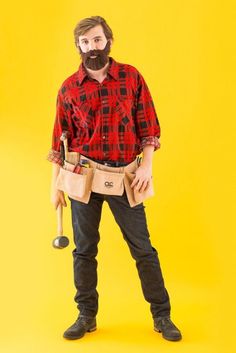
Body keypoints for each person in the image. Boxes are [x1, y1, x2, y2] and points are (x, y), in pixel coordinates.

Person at [47, 15, 182, 342]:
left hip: (125, 176)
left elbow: (149, 127)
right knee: (84, 250)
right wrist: (55, 186)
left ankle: (161, 315)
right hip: (82, 178)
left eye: (96, 39)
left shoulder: (131, 77)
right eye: (85, 42)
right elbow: (59, 141)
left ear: (108, 40)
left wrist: (147, 165)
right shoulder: (68, 88)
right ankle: (86, 315)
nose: (91, 46)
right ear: (78, 47)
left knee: (143, 248)